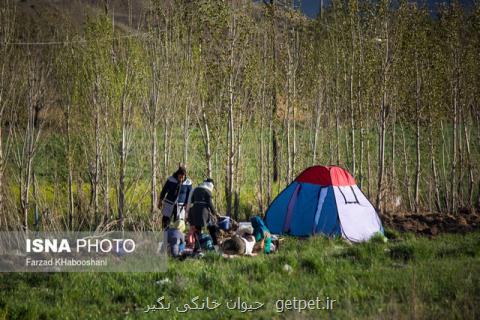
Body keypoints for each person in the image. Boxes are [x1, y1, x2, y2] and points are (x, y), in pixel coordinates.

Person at [187, 178, 220, 250]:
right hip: (204, 213)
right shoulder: (207, 191)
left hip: (194, 212)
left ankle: (197, 248)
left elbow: (191, 201)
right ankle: (216, 248)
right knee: (212, 229)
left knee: (197, 229)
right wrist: (215, 213)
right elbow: (210, 204)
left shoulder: (195, 189)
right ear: (211, 185)